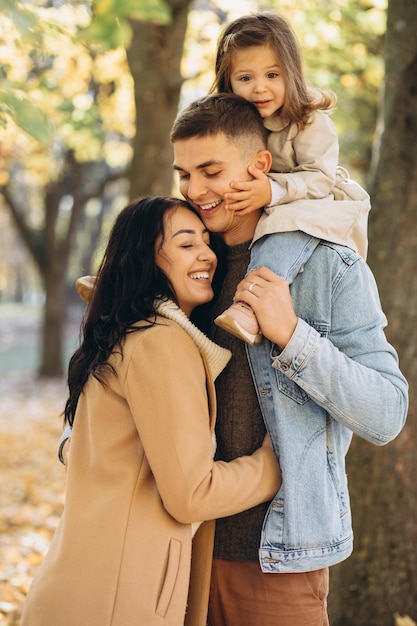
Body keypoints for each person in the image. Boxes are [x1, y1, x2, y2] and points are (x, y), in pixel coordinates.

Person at [169, 93, 408, 625]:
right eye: (184, 174)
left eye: (211, 171)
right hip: (173, 551)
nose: (195, 191)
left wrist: (292, 335)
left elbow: (388, 413)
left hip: (276, 558)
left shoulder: (329, 264)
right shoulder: (176, 259)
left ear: (259, 165)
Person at [21, 196, 281, 626]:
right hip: (115, 604)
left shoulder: (124, 333)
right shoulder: (160, 343)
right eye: (185, 244)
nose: (207, 255)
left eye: (206, 241)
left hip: (81, 591)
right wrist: (273, 465)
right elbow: (192, 493)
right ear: (146, 259)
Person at [211, 11, 370, 344]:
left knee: (284, 228)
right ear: (228, 83)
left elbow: (321, 178)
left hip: (310, 202)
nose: (260, 88)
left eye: (272, 74)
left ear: (292, 74)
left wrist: (271, 191)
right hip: (261, 201)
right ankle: (132, 281)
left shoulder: (308, 122)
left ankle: (251, 305)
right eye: (245, 78)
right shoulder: (231, 124)